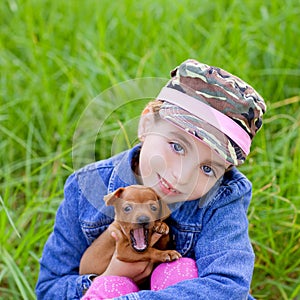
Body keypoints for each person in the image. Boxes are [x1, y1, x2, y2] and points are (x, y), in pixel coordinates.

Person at [36, 59, 266, 299]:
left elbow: (228, 284)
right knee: (107, 288)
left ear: (225, 169)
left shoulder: (221, 199)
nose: (181, 176)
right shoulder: (87, 187)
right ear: (146, 124)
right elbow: (49, 288)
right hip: (107, 286)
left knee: (181, 271)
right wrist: (105, 280)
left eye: (208, 168)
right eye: (177, 146)